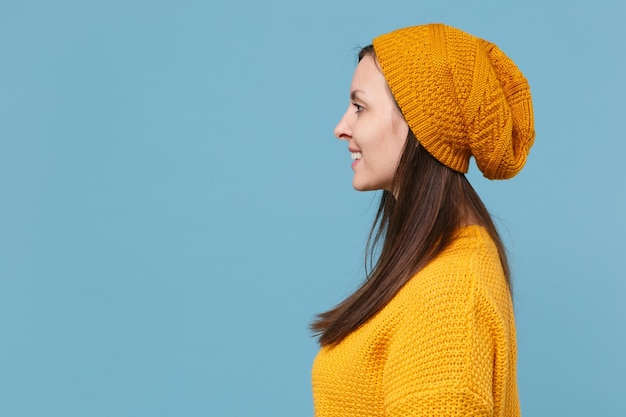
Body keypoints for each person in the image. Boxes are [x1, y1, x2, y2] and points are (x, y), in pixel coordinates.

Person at [311, 23, 534, 417]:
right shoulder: (438, 263)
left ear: (420, 123)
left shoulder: (450, 294)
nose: (341, 127)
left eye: (359, 107)